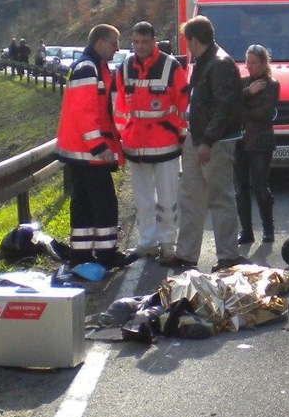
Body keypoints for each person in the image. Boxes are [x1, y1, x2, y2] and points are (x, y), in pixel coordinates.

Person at [164, 16, 247, 272]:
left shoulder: (219, 63)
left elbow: (224, 108)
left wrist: (207, 141)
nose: (185, 46)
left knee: (220, 197)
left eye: (186, 40)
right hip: (198, 137)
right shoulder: (206, 61)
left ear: (193, 39)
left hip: (215, 141)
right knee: (190, 197)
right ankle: (187, 254)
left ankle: (228, 256)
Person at [55, 24, 134, 270]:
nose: (117, 48)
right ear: (99, 42)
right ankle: (106, 254)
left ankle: (82, 255)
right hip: (88, 153)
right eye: (113, 42)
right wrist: (99, 147)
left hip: (82, 152)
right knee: (103, 204)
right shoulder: (88, 68)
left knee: (84, 205)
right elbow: (84, 113)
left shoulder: (92, 66)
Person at [113, 22, 189, 258]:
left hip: (165, 142)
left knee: (167, 198)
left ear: (154, 40)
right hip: (136, 144)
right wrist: (121, 137)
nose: (140, 47)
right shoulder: (125, 67)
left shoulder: (170, 66)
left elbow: (183, 102)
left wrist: (181, 134)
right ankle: (147, 241)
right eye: (136, 42)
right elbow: (118, 107)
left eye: (145, 42)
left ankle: (167, 243)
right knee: (143, 198)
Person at [234, 44, 280, 245]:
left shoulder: (272, 85)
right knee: (241, 187)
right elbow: (230, 105)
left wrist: (243, 107)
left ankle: (268, 229)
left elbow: (265, 113)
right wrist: (247, 93)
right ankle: (246, 230)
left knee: (261, 186)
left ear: (263, 64)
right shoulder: (243, 84)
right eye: (248, 62)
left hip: (261, 141)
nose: (250, 66)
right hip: (240, 141)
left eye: (254, 63)